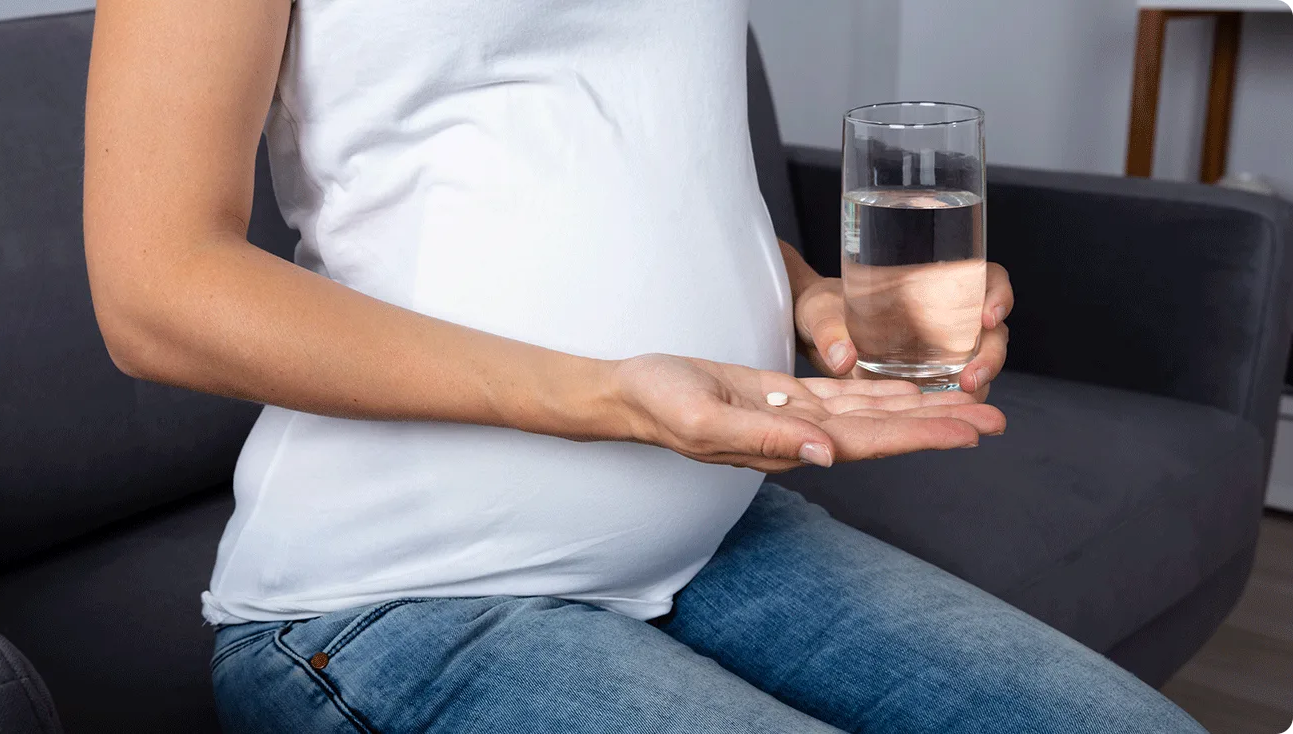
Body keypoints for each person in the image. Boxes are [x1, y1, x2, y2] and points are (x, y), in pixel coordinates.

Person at [81, 0, 1208, 732]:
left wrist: (810, 297)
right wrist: (610, 396)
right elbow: (156, 292)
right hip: (400, 597)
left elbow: (628, 162)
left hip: (709, 531)